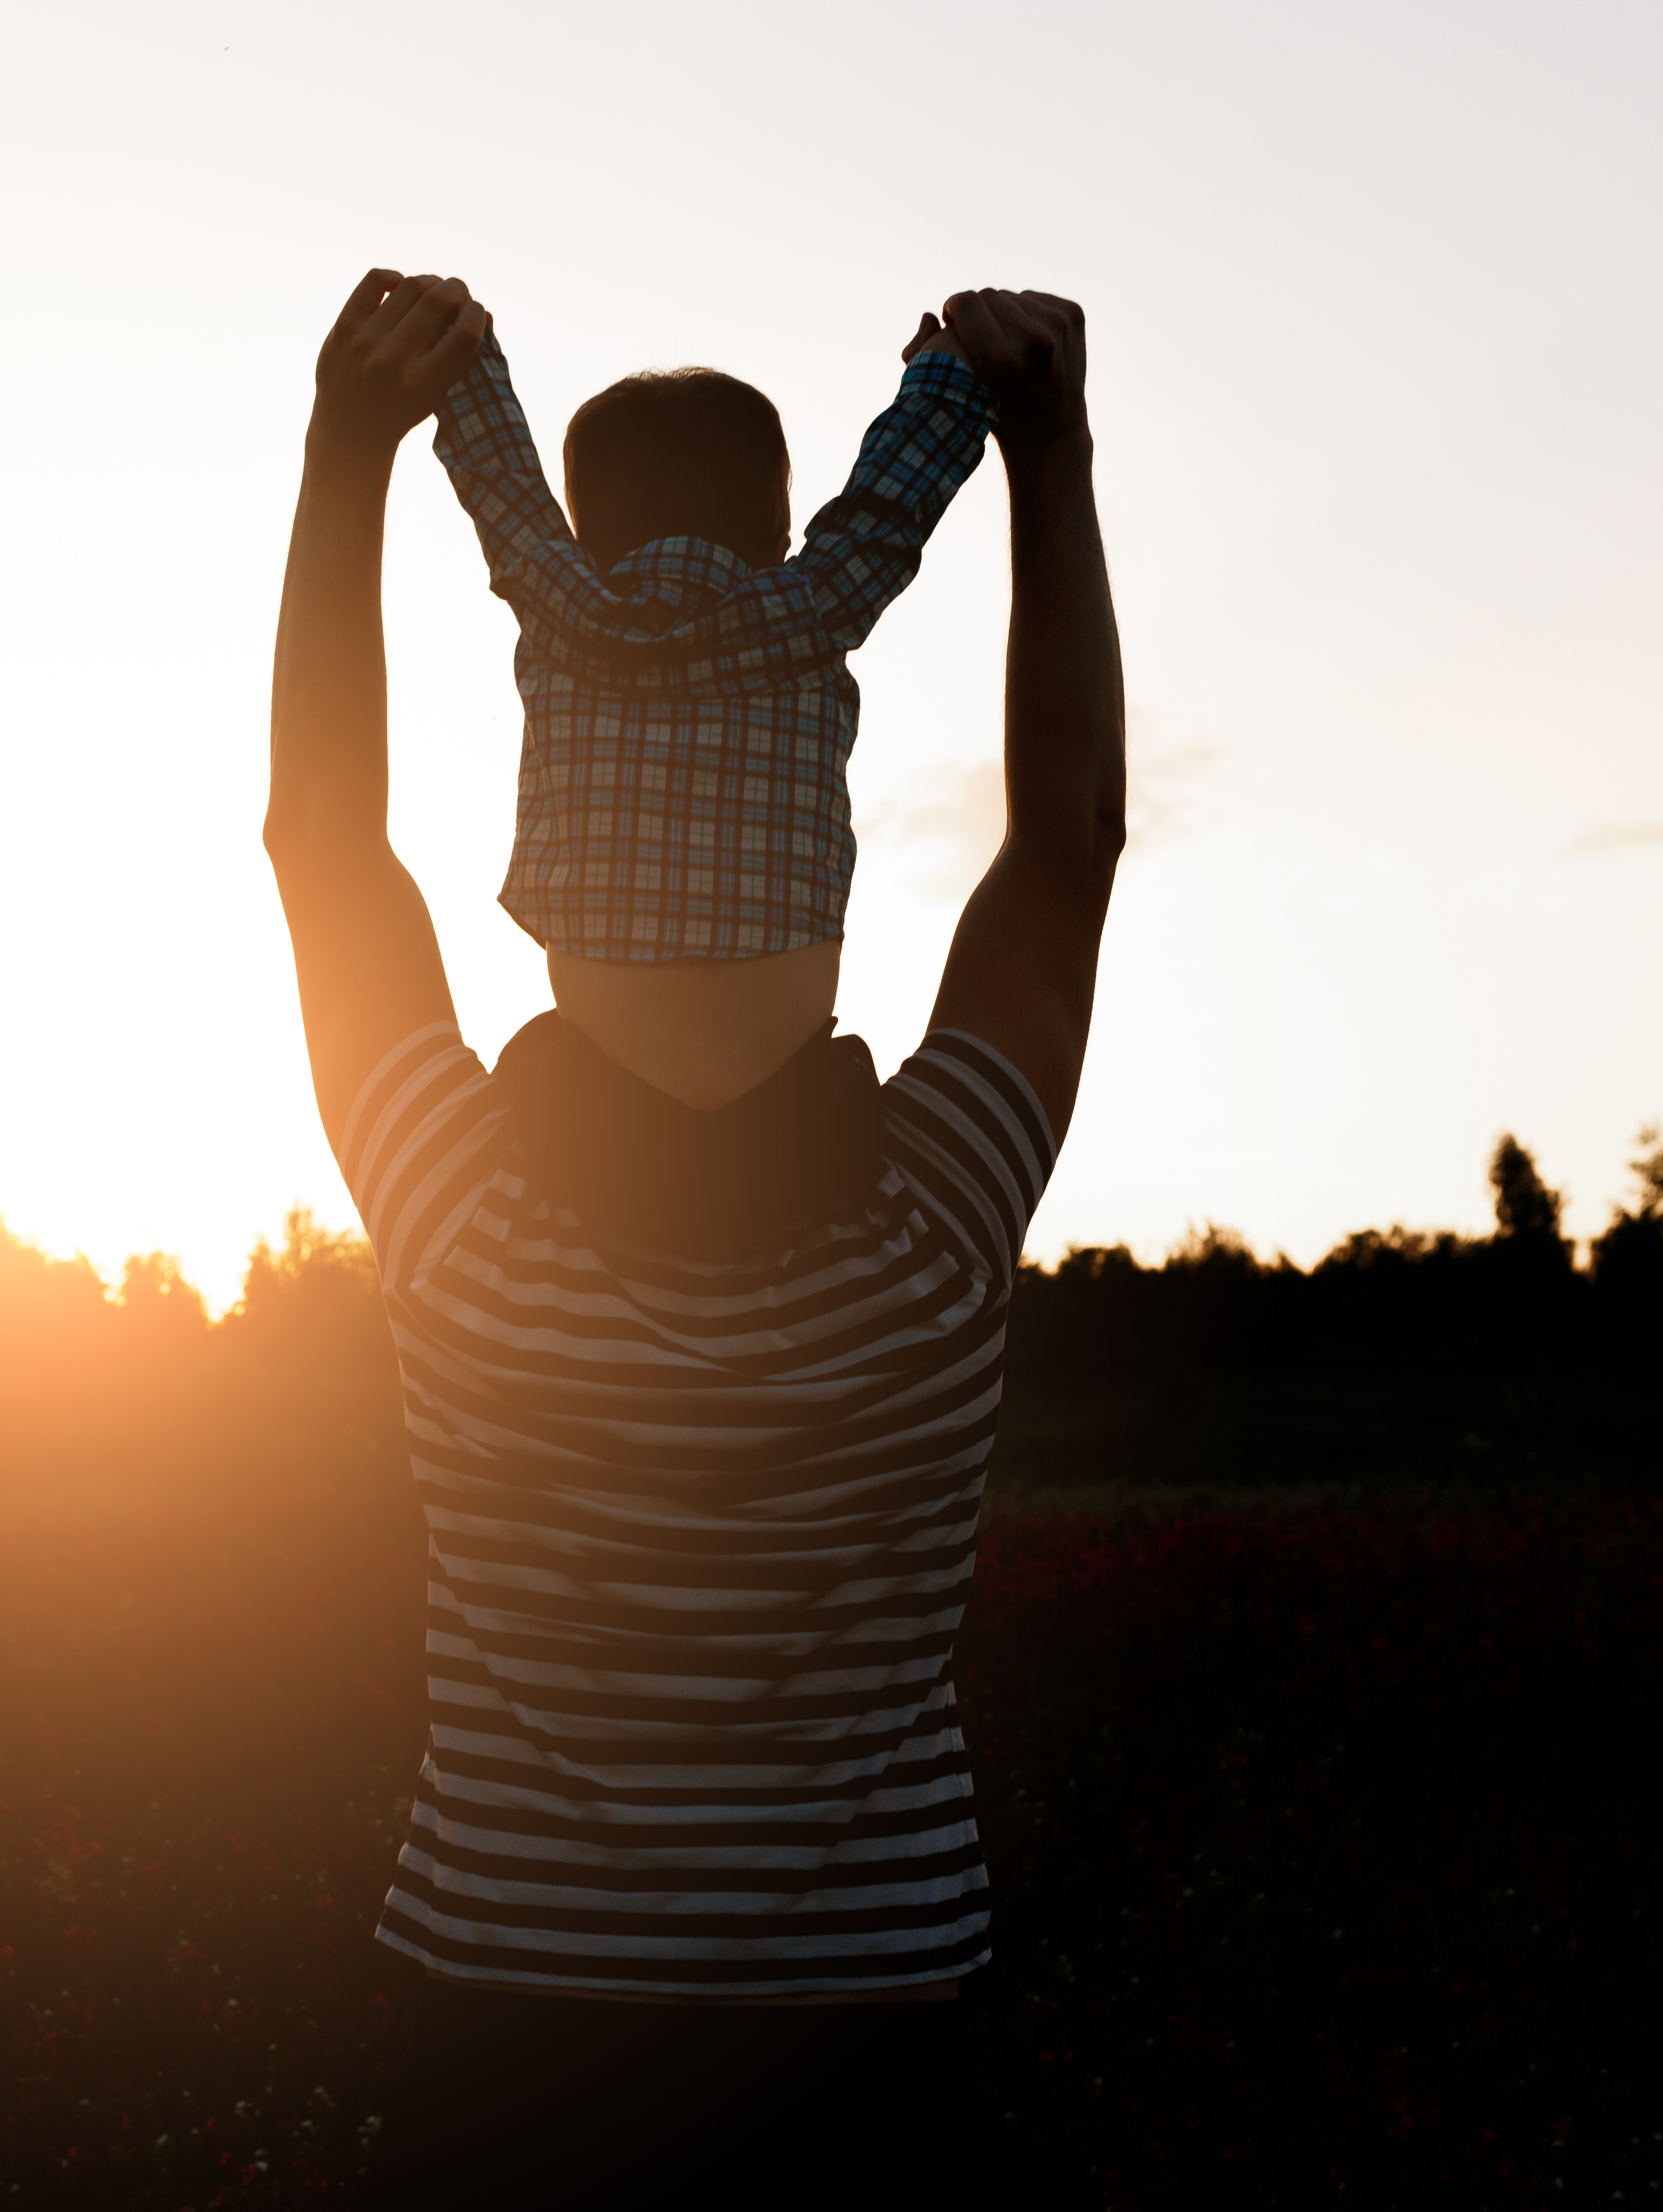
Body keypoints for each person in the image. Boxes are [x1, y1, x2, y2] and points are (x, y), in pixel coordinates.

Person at [263, 270, 1125, 2202]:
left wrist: (346, 461)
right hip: (866, 2060)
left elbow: (322, 840)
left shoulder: (460, 1214)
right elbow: (1067, 845)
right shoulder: (935, 1223)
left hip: (506, 2047)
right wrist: (1049, 461)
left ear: (557, 834)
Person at [427, 313, 995, 1110]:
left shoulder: (562, 605)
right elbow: (887, 511)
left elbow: (501, 482)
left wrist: (461, 349)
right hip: (789, 1101)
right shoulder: (813, 607)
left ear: (584, 540)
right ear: (780, 532)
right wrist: (948, 376)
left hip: (595, 1103)